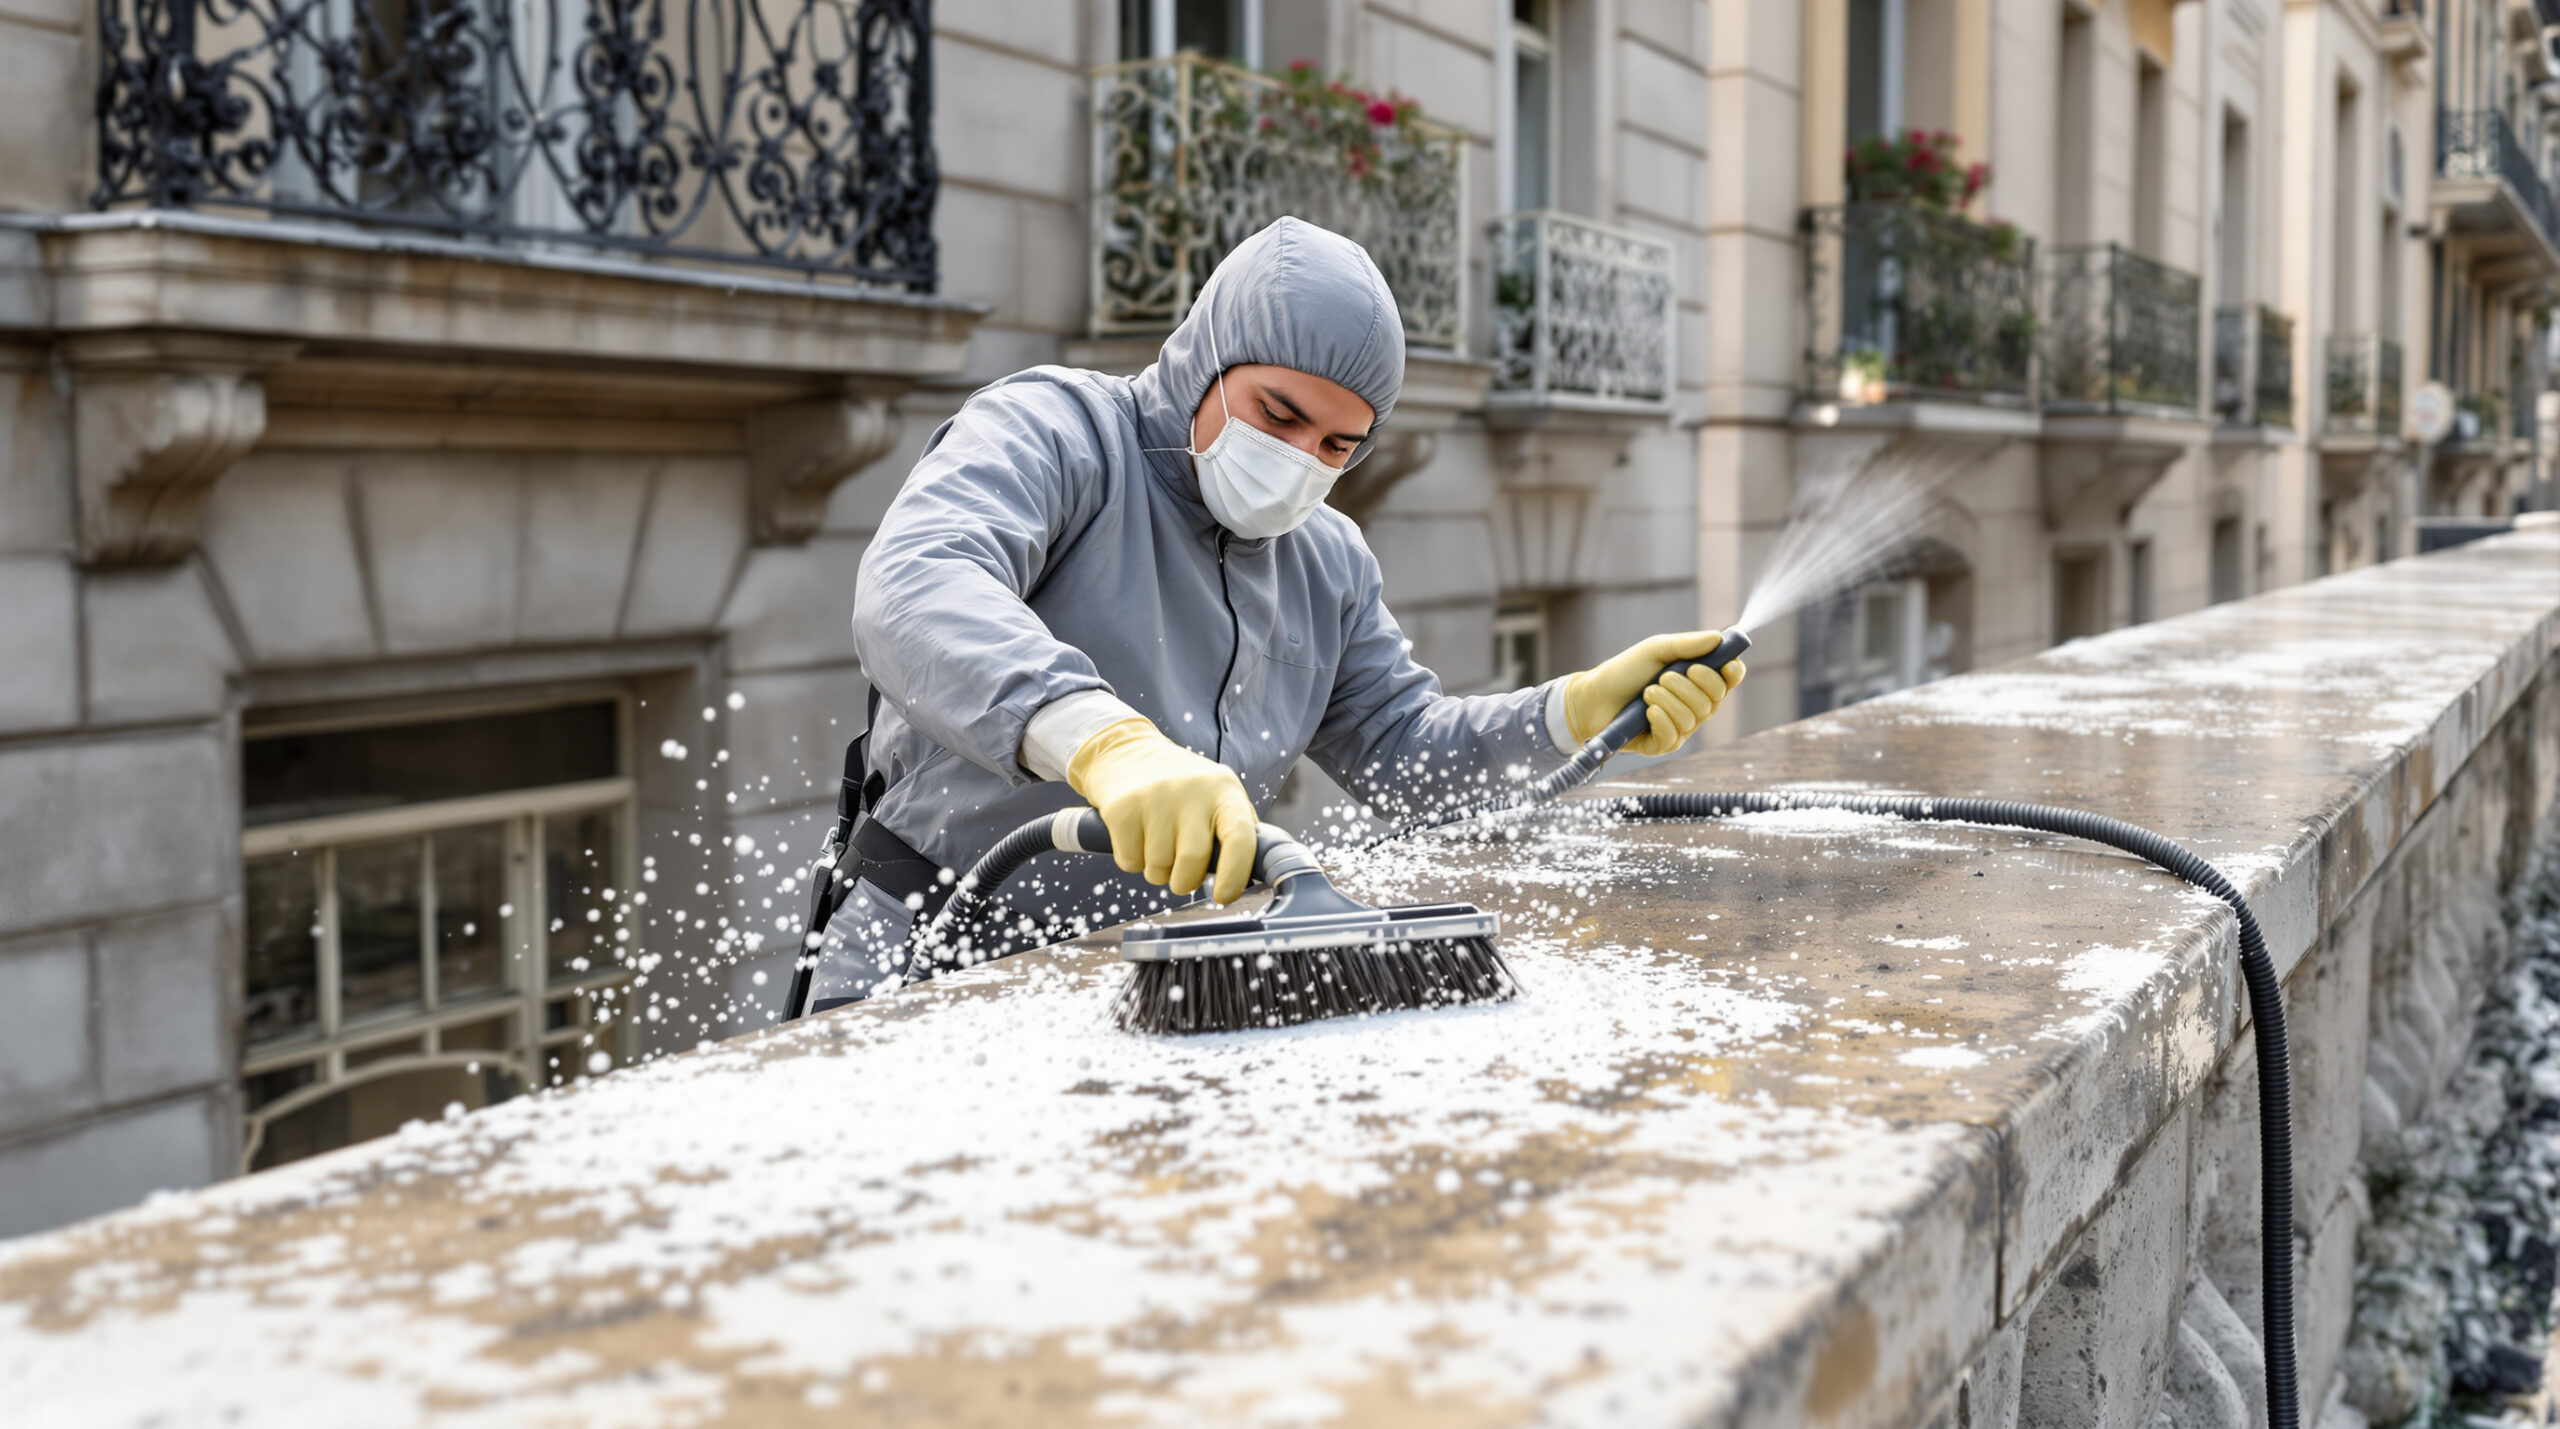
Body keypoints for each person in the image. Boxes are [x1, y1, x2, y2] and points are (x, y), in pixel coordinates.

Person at [796, 218, 1743, 1012]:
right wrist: (1103, 742)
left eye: (1338, 443)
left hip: (1144, 983)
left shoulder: (1327, 560)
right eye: (1278, 414)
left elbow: (1403, 753)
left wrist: (1569, 713)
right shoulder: (1058, 433)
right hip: (922, 951)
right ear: (1208, 353)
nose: (1301, 458)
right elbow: (917, 585)